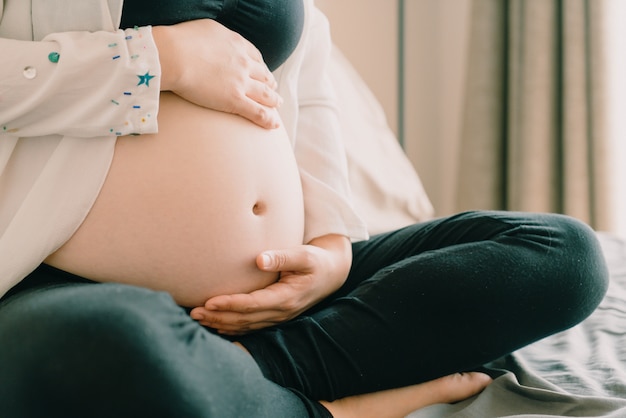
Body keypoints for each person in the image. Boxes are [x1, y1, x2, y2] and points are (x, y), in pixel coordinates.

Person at [0, 1, 608, 417]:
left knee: (563, 255)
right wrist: (161, 59)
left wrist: (331, 248)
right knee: (100, 344)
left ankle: (246, 373)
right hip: (65, 283)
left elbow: (307, 93)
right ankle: (317, 407)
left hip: (288, 299)